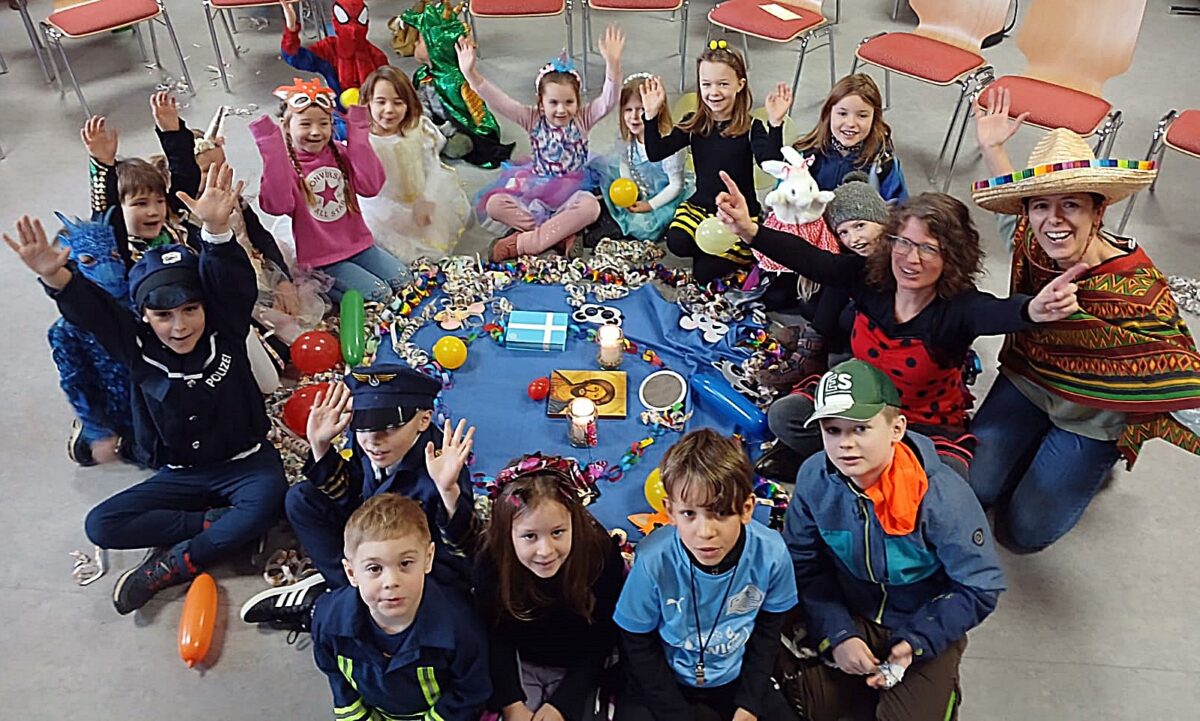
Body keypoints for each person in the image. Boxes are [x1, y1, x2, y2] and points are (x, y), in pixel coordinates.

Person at [4, 163, 289, 615]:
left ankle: (175, 562)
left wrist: (216, 232)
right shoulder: (135, 346)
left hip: (245, 465)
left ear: (205, 307)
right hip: (180, 474)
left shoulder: (226, 329)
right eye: (163, 316)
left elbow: (231, 284)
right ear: (144, 318)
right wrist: (57, 278)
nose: (179, 327)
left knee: (273, 502)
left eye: (191, 309)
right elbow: (94, 313)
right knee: (102, 524)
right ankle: (216, 527)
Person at [714, 171, 1084, 481]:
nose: (910, 258)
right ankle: (851, 463)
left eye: (929, 248)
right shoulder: (870, 277)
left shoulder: (959, 307)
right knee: (785, 415)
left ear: (952, 257)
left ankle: (850, 466)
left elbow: (997, 312)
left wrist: (1034, 310)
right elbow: (813, 261)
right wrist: (750, 229)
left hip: (919, 422)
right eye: (903, 243)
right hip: (859, 403)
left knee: (950, 476)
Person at [966, 87, 1200, 552]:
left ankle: (1093, 467)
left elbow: (1179, 375)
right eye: (1040, 206)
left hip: (1091, 418)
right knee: (973, 489)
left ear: (1098, 210)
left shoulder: (1137, 291)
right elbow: (1013, 223)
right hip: (1030, 379)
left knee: (1022, 534)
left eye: (1071, 204)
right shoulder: (1031, 242)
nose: (1053, 221)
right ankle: (1035, 451)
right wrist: (994, 147)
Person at [782, 360, 1005, 721]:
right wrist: (838, 634)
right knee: (799, 700)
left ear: (896, 428)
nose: (845, 445)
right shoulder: (813, 479)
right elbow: (803, 566)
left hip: (922, 617)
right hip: (851, 609)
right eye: (832, 430)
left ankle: (920, 686)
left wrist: (917, 641)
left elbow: (979, 587)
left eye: (861, 428)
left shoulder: (943, 498)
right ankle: (857, 683)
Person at [240, 365, 476, 629]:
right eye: (363, 427)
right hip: (371, 541)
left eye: (389, 428)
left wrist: (448, 492)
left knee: (438, 605)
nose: (374, 441)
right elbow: (353, 492)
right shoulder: (371, 442)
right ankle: (349, 591)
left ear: (423, 419)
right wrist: (320, 447)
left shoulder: (442, 466)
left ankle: (330, 605)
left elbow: (465, 550)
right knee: (301, 499)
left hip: (414, 564)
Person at [613, 429, 798, 721]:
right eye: (689, 514)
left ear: (747, 508)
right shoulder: (653, 560)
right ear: (670, 512)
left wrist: (749, 703)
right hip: (664, 681)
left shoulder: (771, 554)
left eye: (721, 512)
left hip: (737, 680)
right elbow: (637, 642)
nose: (705, 532)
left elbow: (768, 632)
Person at [311, 493, 491, 721]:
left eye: (405, 564)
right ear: (351, 573)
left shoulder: (461, 627)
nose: (391, 582)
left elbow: (470, 692)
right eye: (375, 568)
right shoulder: (327, 621)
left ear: (428, 559)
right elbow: (334, 674)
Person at [473, 453, 626, 721]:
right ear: (507, 533)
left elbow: (603, 636)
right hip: (521, 663)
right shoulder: (491, 560)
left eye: (557, 532)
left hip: (581, 666)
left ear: (573, 523)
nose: (545, 551)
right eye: (530, 536)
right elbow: (495, 635)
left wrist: (563, 704)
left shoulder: (600, 555)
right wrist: (512, 703)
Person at [458, 26, 625, 261]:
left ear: (578, 102)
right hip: (536, 189)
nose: (561, 109)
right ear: (541, 102)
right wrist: (470, 73)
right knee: (495, 204)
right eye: (553, 102)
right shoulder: (531, 118)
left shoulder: (582, 119)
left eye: (569, 102)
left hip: (573, 192)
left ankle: (524, 243)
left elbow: (609, 100)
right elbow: (497, 100)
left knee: (591, 208)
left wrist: (613, 64)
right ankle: (559, 234)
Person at [250, 77, 404, 304]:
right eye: (305, 124)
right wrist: (272, 148)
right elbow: (277, 205)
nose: (315, 132)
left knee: (405, 281)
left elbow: (370, 187)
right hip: (323, 259)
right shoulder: (287, 166)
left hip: (359, 245)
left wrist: (358, 133)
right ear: (286, 125)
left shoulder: (339, 152)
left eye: (324, 123)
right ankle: (324, 289)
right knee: (380, 296)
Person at [641, 42, 776, 283]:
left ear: (740, 85)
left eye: (723, 84)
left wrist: (775, 126)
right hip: (700, 208)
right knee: (677, 242)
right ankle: (711, 251)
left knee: (703, 274)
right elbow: (656, 152)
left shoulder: (751, 127)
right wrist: (651, 116)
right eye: (706, 84)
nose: (714, 92)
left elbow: (770, 163)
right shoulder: (694, 123)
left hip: (737, 214)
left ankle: (726, 254)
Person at [757, 171, 891, 391]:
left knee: (841, 299)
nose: (854, 239)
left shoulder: (897, 255)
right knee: (811, 302)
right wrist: (752, 232)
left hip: (880, 332)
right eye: (844, 232)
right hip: (861, 309)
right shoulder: (861, 257)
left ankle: (814, 351)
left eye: (860, 226)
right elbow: (809, 259)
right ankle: (815, 343)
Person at [358, 65, 471, 263]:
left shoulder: (418, 128)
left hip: (422, 200)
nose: (389, 110)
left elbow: (432, 165)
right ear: (368, 102)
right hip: (384, 212)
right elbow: (365, 190)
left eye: (398, 102)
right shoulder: (364, 142)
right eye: (381, 102)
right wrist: (395, 215)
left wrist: (427, 199)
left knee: (434, 247)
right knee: (400, 255)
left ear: (409, 104)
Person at [49, 214, 135, 467]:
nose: (108, 269)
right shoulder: (66, 331)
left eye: (115, 257)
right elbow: (76, 382)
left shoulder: (138, 302)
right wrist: (99, 431)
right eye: (89, 261)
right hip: (116, 409)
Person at [81, 92, 201, 268]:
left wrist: (172, 133)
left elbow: (185, 174)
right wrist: (103, 165)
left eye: (159, 201)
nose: (153, 211)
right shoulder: (118, 251)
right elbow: (106, 213)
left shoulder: (173, 221)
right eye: (140, 203)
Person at [395, 0, 515, 169]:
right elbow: (419, 101)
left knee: (461, 143)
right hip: (432, 120)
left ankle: (441, 141)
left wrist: (443, 129)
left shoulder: (453, 82)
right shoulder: (422, 74)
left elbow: (466, 116)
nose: (415, 44)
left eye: (420, 41)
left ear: (437, 50)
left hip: (453, 126)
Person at [761, 74, 908, 202]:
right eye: (842, 114)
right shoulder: (806, 153)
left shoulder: (884, 162)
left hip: (854, 233)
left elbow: (897, 210)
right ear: (828, 114)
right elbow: (777, 183)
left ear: (874, 118)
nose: (850, 123)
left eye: (862, 115)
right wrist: (776, 124)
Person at [589, 73, 690, 243]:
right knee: (601, 179)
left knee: (647, 229)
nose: (634, 116)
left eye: (641, 109)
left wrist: (649, 205)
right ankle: (606, 217)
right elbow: (624, 162)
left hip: (662, 194)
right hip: (639, 187)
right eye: (628, 110)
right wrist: (630, 192)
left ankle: (617, 227)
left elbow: (675, 186)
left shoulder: (669, 145)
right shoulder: (629, 138)